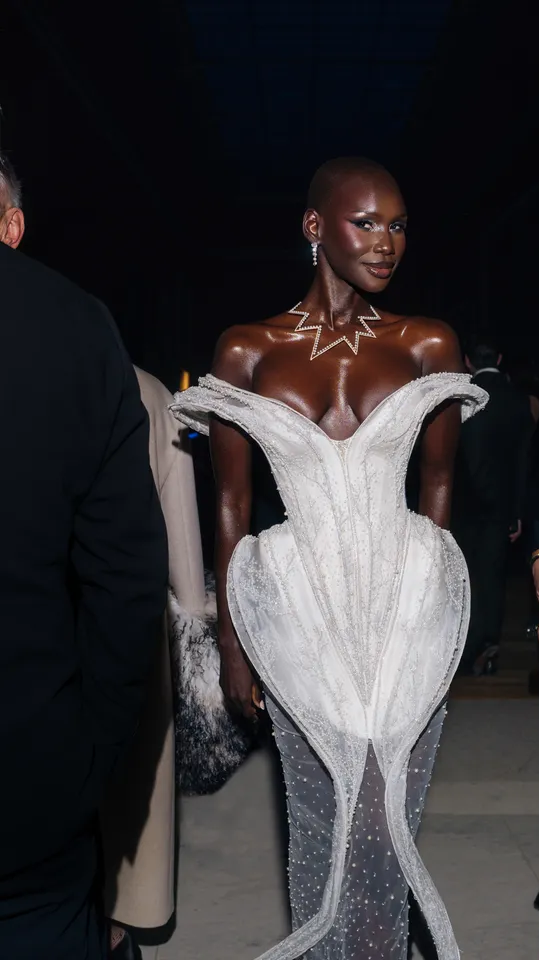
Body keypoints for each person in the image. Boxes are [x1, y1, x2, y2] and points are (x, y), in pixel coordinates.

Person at [171, 156, 486, 960]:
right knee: (320, 816)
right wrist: (234, 645)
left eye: (399, 225)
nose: (387, 242)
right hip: (300, 617)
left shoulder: (427, 343)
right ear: (315, 227)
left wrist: (437, 617)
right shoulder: (248, 350)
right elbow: (231, 507)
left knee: (382, 824)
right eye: (366, 222)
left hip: (401, 614)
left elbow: (439, 487)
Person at [0, 173, 168, 958]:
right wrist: (93, 754)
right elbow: (126, 580)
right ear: (12, 225)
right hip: (30, 775)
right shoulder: (73, 323)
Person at [100, 368, 210, 959]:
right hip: (130, 609)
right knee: (130, 772)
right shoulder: (152, 391)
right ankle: (117, 918)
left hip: (36, 602)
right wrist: (192, 605)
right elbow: (179, 520)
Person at [452, 338, 533, 675]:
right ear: (499, 358)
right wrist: (518, 511)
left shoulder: (460, 396)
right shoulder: (517, 399)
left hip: (464, 504)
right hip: (501, 504)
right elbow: (524, 461)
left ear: (468, 361)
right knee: (493, 576)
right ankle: (488, 644)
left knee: (465, 577)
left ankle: (466, 647)